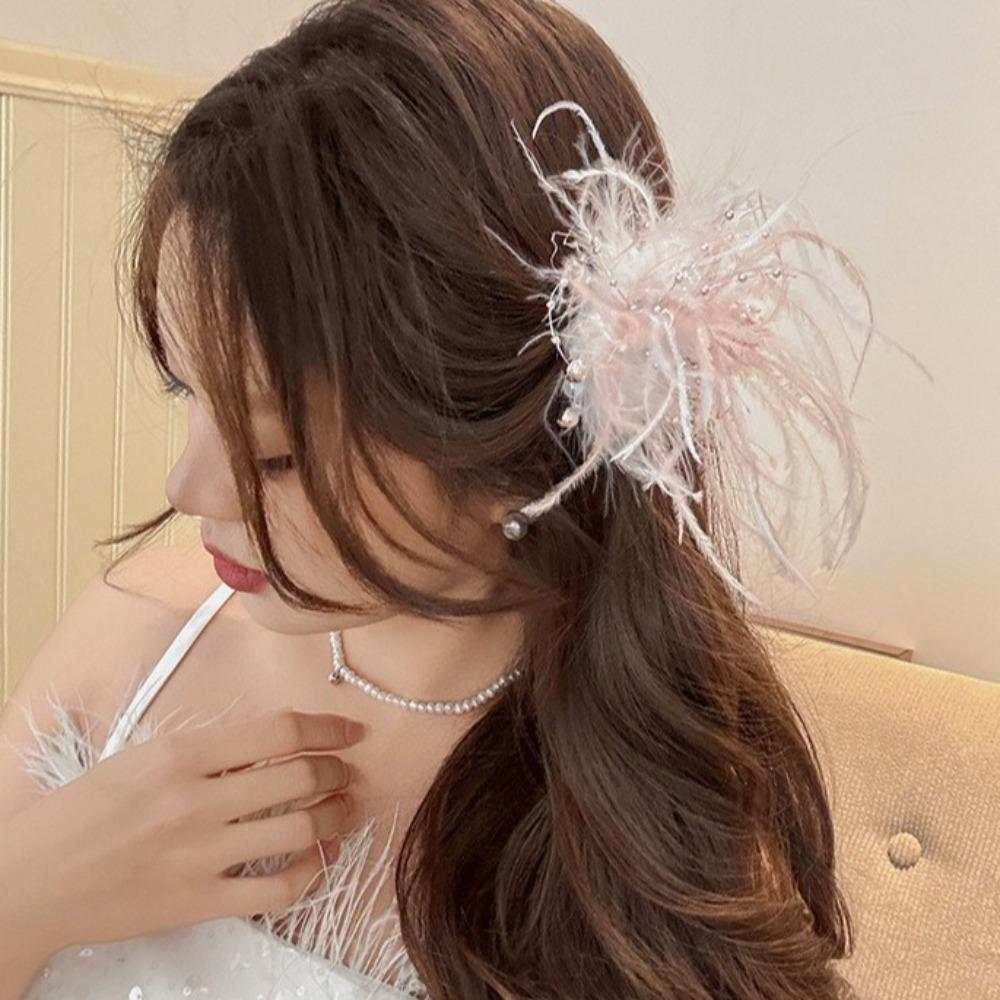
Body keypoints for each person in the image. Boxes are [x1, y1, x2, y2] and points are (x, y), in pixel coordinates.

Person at [0, 0, 874, 996]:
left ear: (511, 448)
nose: (189, 487)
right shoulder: (130, 642)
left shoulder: (654, 842)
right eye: (184, 393)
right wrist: (23, 895)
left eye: (274, 453)